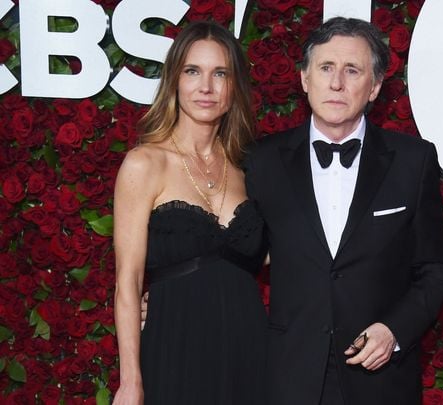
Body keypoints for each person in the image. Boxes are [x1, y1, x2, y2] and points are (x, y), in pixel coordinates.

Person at [243, 17, 443, 405]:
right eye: (326, 68)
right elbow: (241, 254)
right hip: (288, 376)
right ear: (305, 78)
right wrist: (172, 294)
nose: (337, 83)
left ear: (374, 86)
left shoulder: (413, 161)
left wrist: (394, 331)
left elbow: (437, 269)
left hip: (379, 380)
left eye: (352, 70)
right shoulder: (262, 162)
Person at [113, 21, 267, 405]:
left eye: (220, 74)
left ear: (234, 88)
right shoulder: (144, 164)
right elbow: (127, 283)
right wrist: (130, 383)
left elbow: (293, 258)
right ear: (174, 81)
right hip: (173, 349)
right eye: (193, 71)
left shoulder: (252, 170)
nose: (206, 87)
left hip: (249, 354)